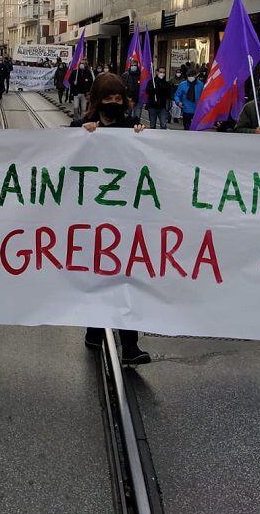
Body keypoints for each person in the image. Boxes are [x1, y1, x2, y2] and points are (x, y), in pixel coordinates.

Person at [71, 73, 150, 367]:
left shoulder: (132, 128)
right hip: (91, 220)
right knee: (97, 278)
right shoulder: (81, 128)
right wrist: (82, 133)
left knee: (124, 280)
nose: (114, 104)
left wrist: (145, 136)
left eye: (119, 99)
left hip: (125, 220)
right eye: (108, 99)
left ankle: (130, 346)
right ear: (97, 100)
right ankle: (94, 329)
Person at [145, 65, 173, 129]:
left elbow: (169, 95)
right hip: (152, 107)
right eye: (161, 72)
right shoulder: (151, 82)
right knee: (152, 125)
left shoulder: (166, 83)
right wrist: (153, 90)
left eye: (163, 72)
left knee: (163, 125)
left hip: (162, 107)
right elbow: (147, 91)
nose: (162, 74)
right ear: (157, 72)